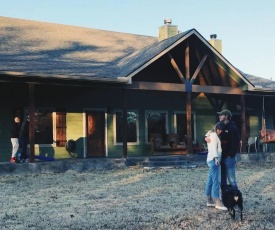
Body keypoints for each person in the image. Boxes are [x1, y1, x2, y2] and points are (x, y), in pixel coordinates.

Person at [205, 122, 227, 210]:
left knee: (210, 180)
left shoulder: (211, 134)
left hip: (211, 160)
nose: (220, 131)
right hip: (214, 160)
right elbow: (213, 148)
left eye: (221, 130)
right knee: (216, 181)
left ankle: (209, 200)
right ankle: (217, 200)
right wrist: (216, 158)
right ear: (216, 128)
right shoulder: (214, 136)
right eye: (219, 129)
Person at [217, 109, 240, 189]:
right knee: (222, 180)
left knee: (231, 179)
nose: (219, 116)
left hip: (229, 157)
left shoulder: (232, 128)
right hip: (222, 157)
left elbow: (236, 142)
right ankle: (226, 197)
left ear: (226, 116)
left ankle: (236, 197)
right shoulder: (221, 127)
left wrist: (231, 154)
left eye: (221, 115)